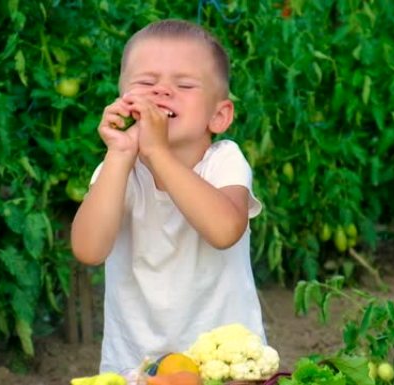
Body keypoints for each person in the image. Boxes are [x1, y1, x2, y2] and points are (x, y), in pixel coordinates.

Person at [70, 18, 265, 374]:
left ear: (219, 116)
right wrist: (119, 155)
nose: (161, 91)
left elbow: (225, 230)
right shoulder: (120, 169)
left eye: (184, 84)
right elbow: (88, 249)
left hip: (223, 367)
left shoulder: (223, 161)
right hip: (136, 367)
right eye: (146, 82)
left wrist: (157, 153)